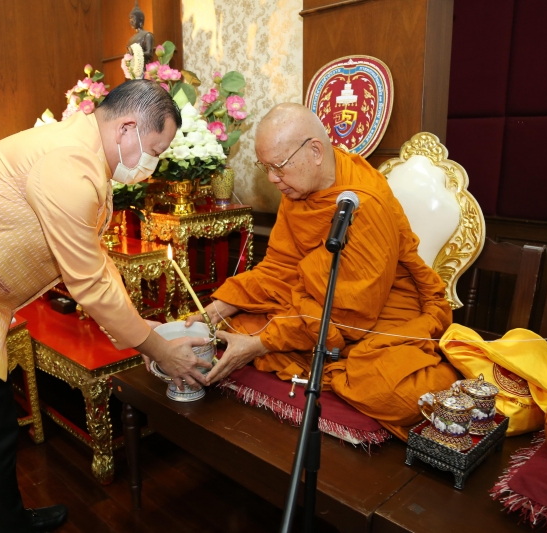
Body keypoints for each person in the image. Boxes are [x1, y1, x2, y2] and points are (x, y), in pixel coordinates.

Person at [0, 80, 210, 533]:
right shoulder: (69, 165)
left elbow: (95, 257)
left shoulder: (83, 152)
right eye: (155, 148)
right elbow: (88, 280)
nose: (152, 164)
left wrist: (137, 326)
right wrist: (158, 349)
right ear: (127, 128)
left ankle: (7, 519)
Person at [186, 103, 458, 439]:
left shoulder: (364, 205)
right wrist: (217, 309)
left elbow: (353, 312)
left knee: (386, 391)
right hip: (320, 304)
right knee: (230, 327)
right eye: (265, 167)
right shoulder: (301, 187)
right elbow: (280, 267)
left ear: (315, 150)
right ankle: (322, 357)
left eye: (279, 166)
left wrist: (260, 345)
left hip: (380, 315)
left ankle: (334, 363)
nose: (273, 179)